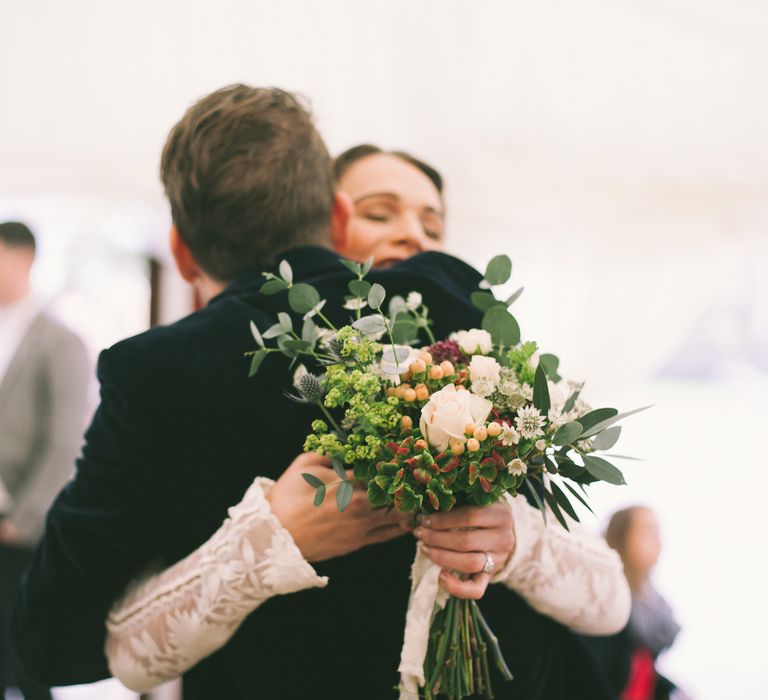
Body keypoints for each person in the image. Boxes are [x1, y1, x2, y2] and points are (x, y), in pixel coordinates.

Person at [12, 87, 628, 700]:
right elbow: (87, 636)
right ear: (335, 221)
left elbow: (605, 594)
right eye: (379, 213)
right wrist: (265, 540)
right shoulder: (450, 297)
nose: (410, 241)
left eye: (430, 223)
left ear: (180, 250)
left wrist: (510, 536)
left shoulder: (463, 328)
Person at [0, 222, 91, 700]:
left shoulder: (60, 340)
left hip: (19, 528)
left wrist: (22, 520)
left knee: (27, 661)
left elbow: (64, 439)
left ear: (22, 260)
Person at [586, 506, 687, 700]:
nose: (659, 543)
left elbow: (644, 672)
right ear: (622, 540)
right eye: (649, 533)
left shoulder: (652, 605)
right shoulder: (605, 601)